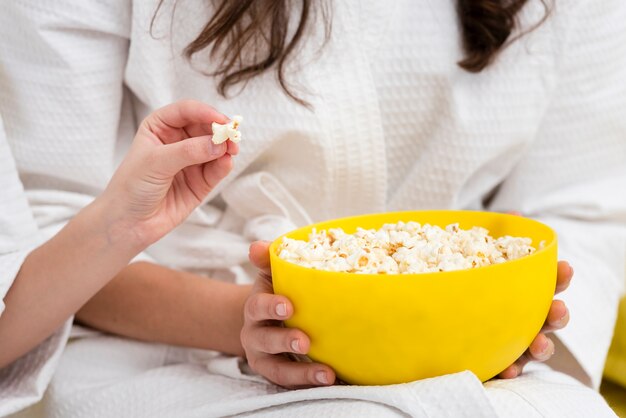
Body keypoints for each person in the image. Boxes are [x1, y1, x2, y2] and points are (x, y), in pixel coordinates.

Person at [0, 0, 624, 416]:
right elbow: (49, 236)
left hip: (476, 361)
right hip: (172, 349)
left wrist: (503, 321)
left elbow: (578, 208)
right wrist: (280, 322)